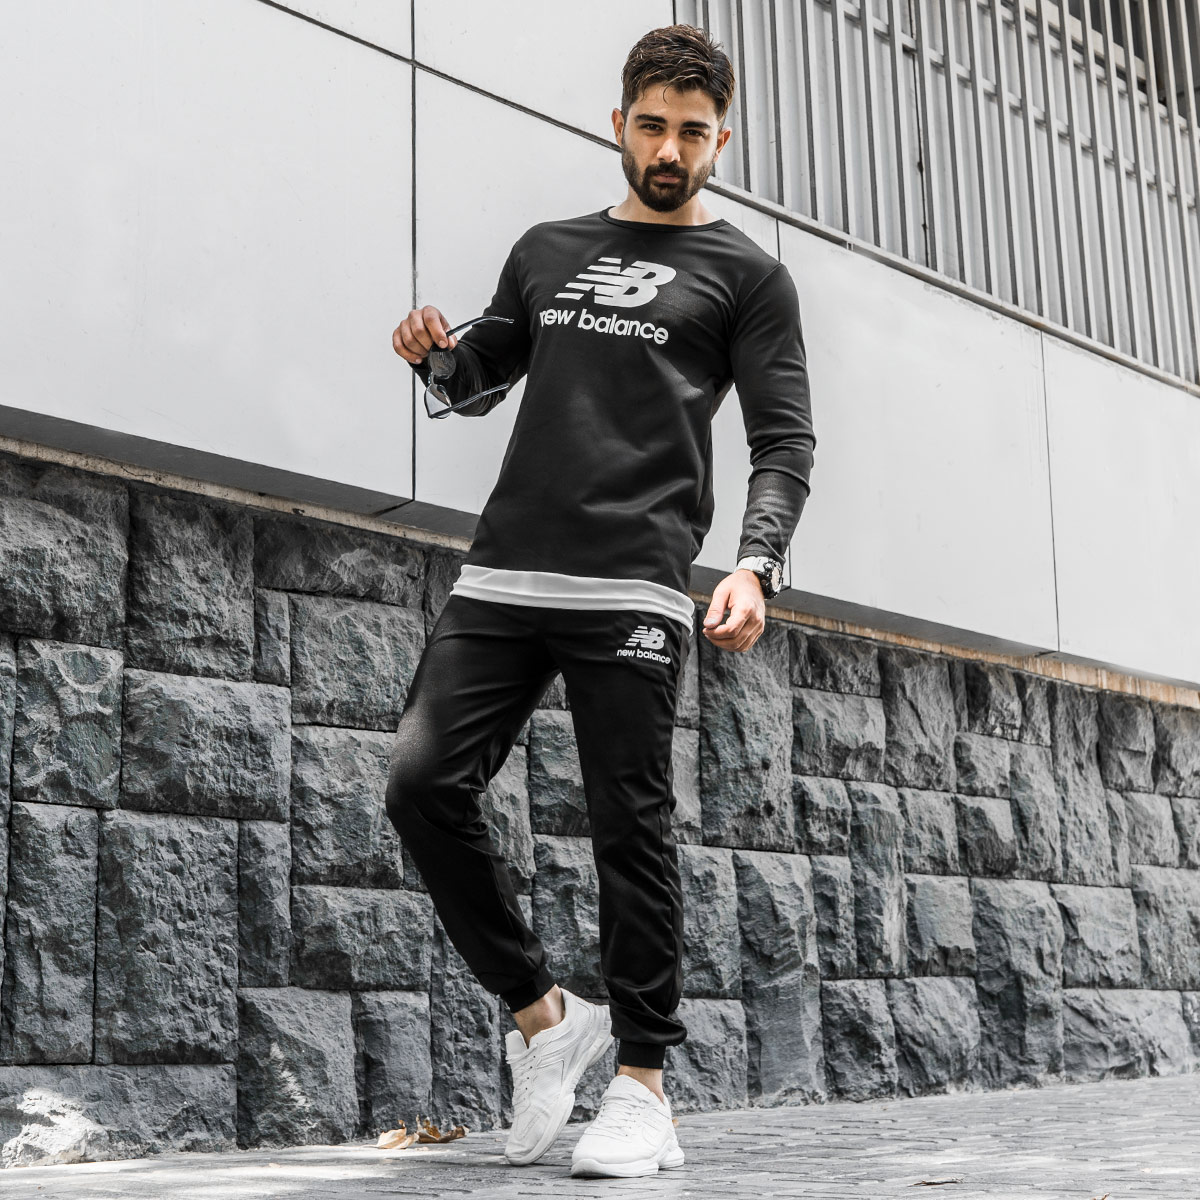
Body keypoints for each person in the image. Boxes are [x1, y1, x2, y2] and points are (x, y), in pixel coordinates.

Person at [386, 23, 815, 1181]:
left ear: (721, 141)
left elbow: (784, 442)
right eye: (653, 125)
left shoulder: (748, 278)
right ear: (619, 123)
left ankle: (643, 1091)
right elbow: (482, 370)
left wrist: (754, 564)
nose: (670, 148)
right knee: (420, 787)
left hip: (633, 580)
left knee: (631, 830)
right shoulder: (548, 250)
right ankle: (544, 1018)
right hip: (504, 572)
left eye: (693, 132)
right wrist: (434, 355)